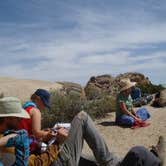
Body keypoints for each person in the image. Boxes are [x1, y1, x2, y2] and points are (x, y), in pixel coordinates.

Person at [0, 96, 164, 166]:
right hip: (54, 161)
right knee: (82, 117)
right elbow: (36, 164)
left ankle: (119, 162)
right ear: (8, 118)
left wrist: (46, 137)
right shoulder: (8, 143)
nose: (22, 119)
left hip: (47, 152)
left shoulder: (8, 136)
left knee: (90, 160)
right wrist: (57, 143)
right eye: (18, 117)